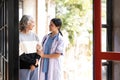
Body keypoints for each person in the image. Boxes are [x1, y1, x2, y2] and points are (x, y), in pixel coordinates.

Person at [19, 15, 41, 80]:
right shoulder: (18, 36)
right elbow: (20, 54)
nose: (34, 24)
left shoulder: (35, 36)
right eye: (32, 22)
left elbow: (39, 51)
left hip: (34, 67)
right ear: (26, 23)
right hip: (24, 67)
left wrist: (34, 63)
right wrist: (33, 62)